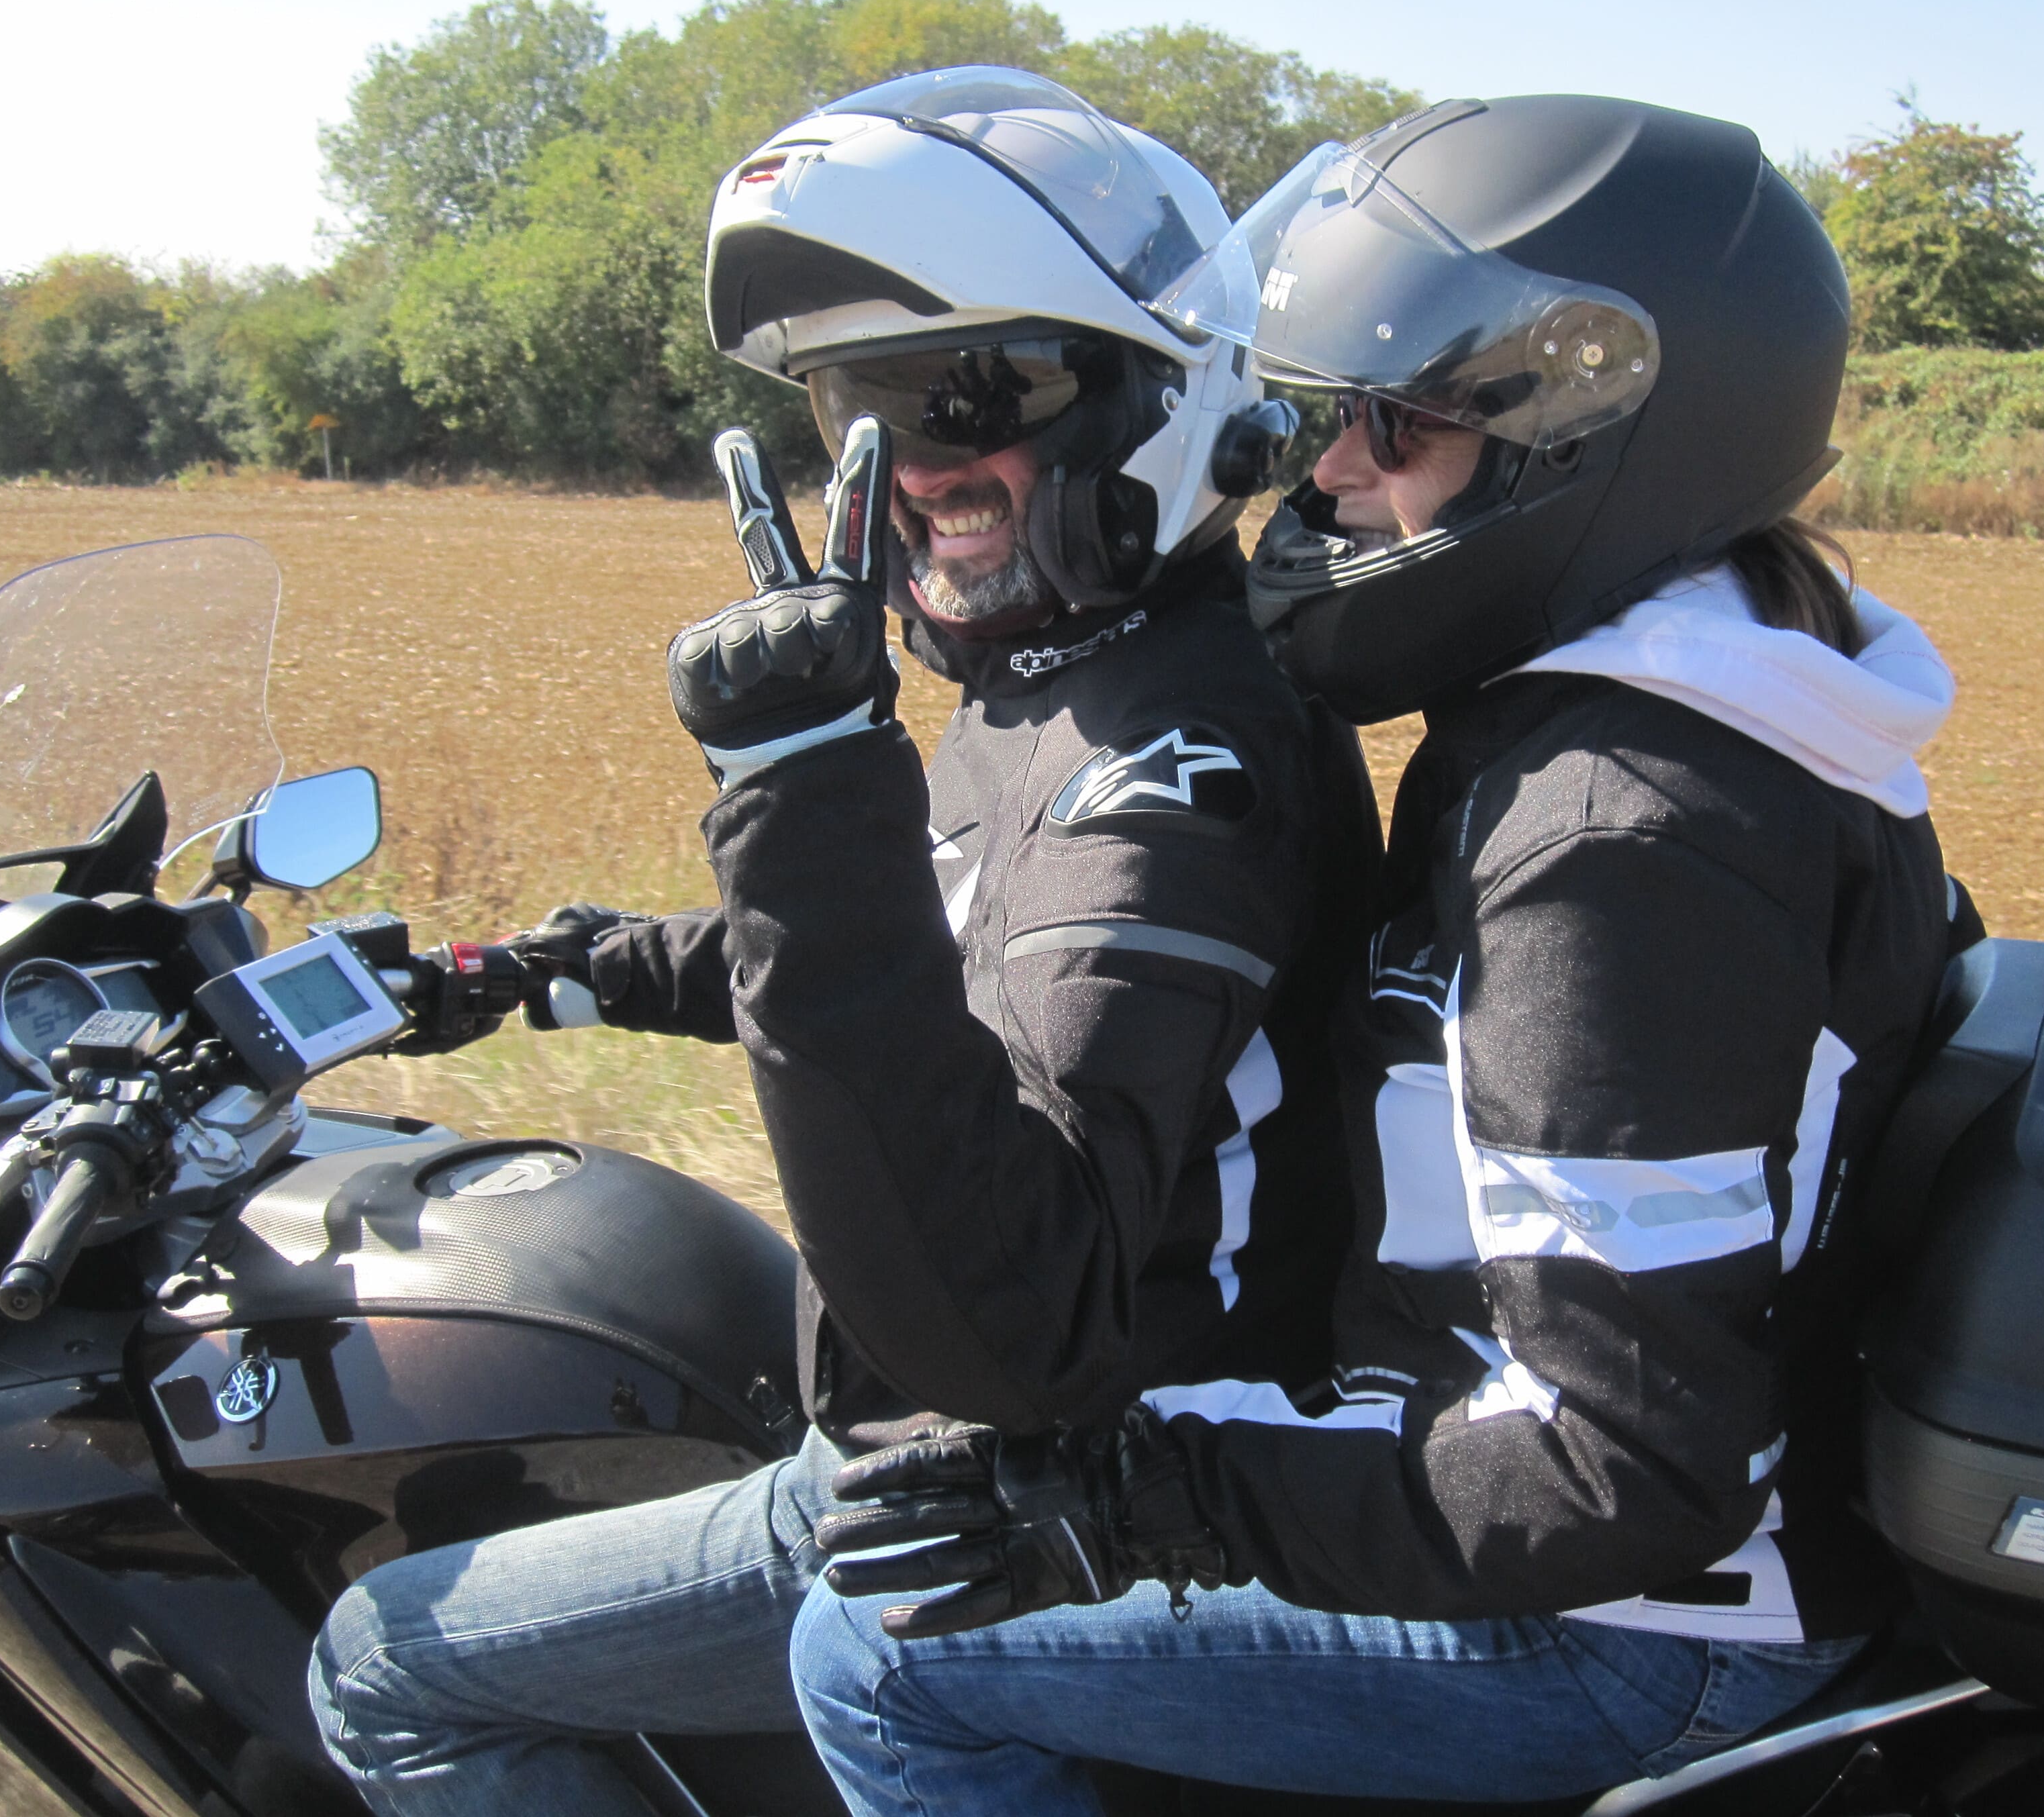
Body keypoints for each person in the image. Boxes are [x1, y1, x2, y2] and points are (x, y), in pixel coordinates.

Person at [788, 94, 1965, 1814]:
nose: (1326, 474)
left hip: (1623, 1628)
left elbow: (1622, 1465)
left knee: (876, 1653)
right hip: (1527, 1512)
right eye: (1335, 414)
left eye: (1395, 426)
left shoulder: (1611, 846)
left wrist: (1142, 1500)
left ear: (1595, 436)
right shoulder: (1705, 707)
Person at [307, 68, 1377, 1815]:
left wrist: (800, 786)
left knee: (385, 1661)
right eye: (859, 403)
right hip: (963, 1452)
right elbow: (921, 955)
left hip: (1025, 1501)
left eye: (975, 392)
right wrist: (555, 969)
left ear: (1163, 398)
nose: (919, 462)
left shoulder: (1179, 762)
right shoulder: (1062, 683)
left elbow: (1015, 1313)